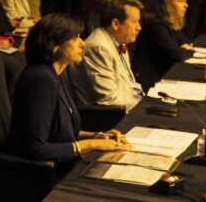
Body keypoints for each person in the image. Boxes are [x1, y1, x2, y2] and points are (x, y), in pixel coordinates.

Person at [7, 14, 130, 177]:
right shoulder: (41, 80)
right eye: (75, 38)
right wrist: (92, 144)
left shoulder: (55, 74)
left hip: (63, 165)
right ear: (54, 46)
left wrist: (99, 136)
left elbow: (58, 132)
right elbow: (35, 148)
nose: (82, 44)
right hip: (46, 176)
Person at [68, 0, 144, 112]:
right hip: (109, 119)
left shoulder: (119, 41)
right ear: (115, 24)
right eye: (134, 22)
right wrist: (146, 107)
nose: (139, 27)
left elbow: (129, 85)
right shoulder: (98, 47)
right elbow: (109, 99)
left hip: (130, 106)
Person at [132, 0, 195, 91]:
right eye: (181, 1)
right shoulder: (156, 26)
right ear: (167, 4)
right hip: (150, 81)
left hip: (163, 74)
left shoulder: (170, 23)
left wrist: (183, 49)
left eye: (186, 1)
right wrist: (184, 49)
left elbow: (188, 45)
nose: (186, 5)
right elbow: (179, 56)